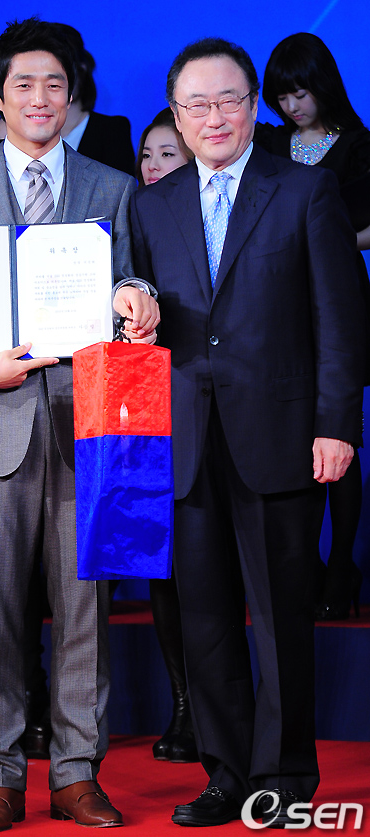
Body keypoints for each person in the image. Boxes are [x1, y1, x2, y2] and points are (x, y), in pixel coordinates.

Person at [0, 17, 158, 832]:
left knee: (86, 608)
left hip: (92, 426)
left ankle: (79, 771)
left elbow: (134, 282)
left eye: (55, 83)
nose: (41, 97)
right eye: (24, 84)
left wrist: (138, 301)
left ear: (73, 93)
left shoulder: (112, 186)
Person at [129, 37, 364, 828]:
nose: (215, 116)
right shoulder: (151, 204)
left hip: (283, 436)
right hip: (186, 440)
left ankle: (285, 774)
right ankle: (226, 773)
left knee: (280, 620)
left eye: (230, 99)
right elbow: (139, 309)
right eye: (196, 104)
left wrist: (336, 425)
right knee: (204, 621)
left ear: (254, 106)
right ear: (177, 117)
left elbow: (340, 320)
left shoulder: (304, 190)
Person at [256, 32, 370, 620]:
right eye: (281, 97)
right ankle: (305, 567)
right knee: (294, 439)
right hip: (277, 304)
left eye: (300, 93)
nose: (292, 106)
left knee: (339, 434)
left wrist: (321, 239)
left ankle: (343, 563)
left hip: (336, 299)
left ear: (322, 85)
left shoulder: (358, 146)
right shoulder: (269, 143)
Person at [135, 107, 197, 764]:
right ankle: (183, 704)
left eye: (167, 154)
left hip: (208, 411)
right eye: (147, 155)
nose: (153, 166)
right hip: (146, 414)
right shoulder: (132, 220)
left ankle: (219, 705)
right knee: (164, 565)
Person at [0, 22, 135, 176]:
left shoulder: (111, 134)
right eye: (24, 85)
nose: (39, 100)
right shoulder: (8, 126)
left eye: (53, 84)